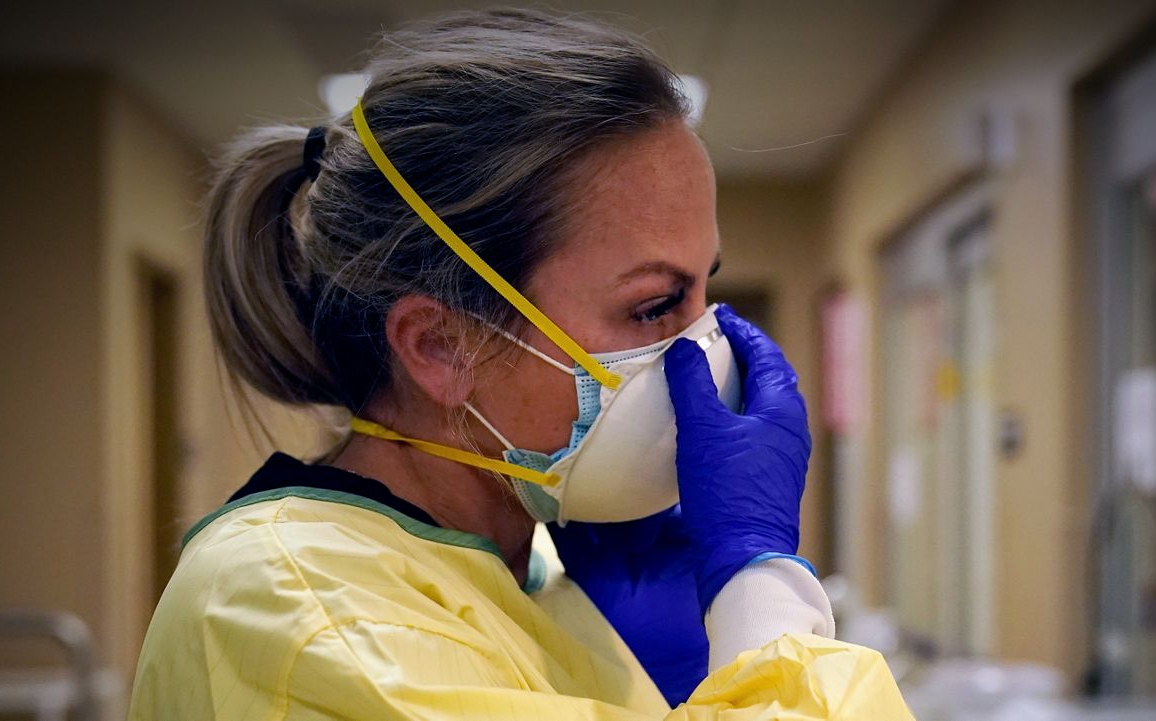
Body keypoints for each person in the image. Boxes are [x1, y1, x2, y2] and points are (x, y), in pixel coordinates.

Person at [129, 8, 913, 720]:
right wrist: (761, 597)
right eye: (652, 306)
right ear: (440, 347)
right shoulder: (298, 604)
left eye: (705, 289)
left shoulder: (523, 565)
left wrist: (683, 676)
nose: (708, 348)